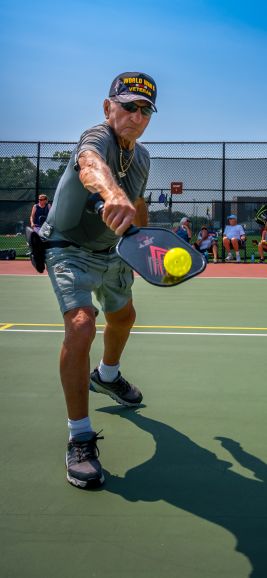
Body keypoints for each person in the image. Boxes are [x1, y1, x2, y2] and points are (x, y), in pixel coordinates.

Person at [39, 71, 157, 489]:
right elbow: (91, 167)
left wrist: (141, 244)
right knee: (82, 323)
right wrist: (113, 195)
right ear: (109, 108)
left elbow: (138, 202)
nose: (137, 116)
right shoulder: (97, 136)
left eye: (145, 110)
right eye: (129, 106)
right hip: (68, 245)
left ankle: (107, 375)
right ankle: (80, 438)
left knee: (124, 317)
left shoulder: (141, 158)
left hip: (114, 250)